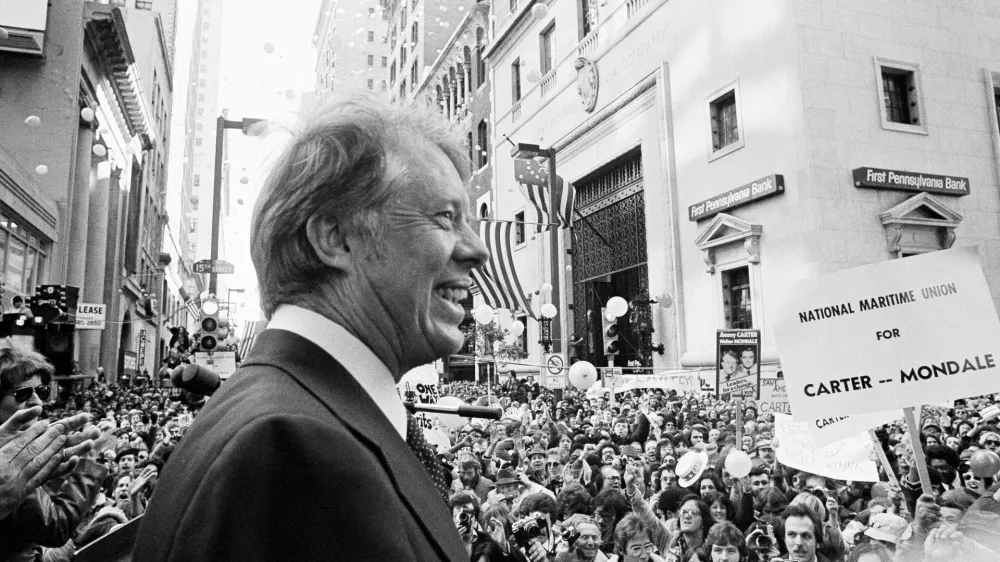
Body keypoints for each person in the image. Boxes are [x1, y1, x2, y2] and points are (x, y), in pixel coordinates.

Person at [135, 95, 485, 561]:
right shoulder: (297, 450)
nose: (476, 249)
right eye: (446, 217)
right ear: (335, 238)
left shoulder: (293, 413)